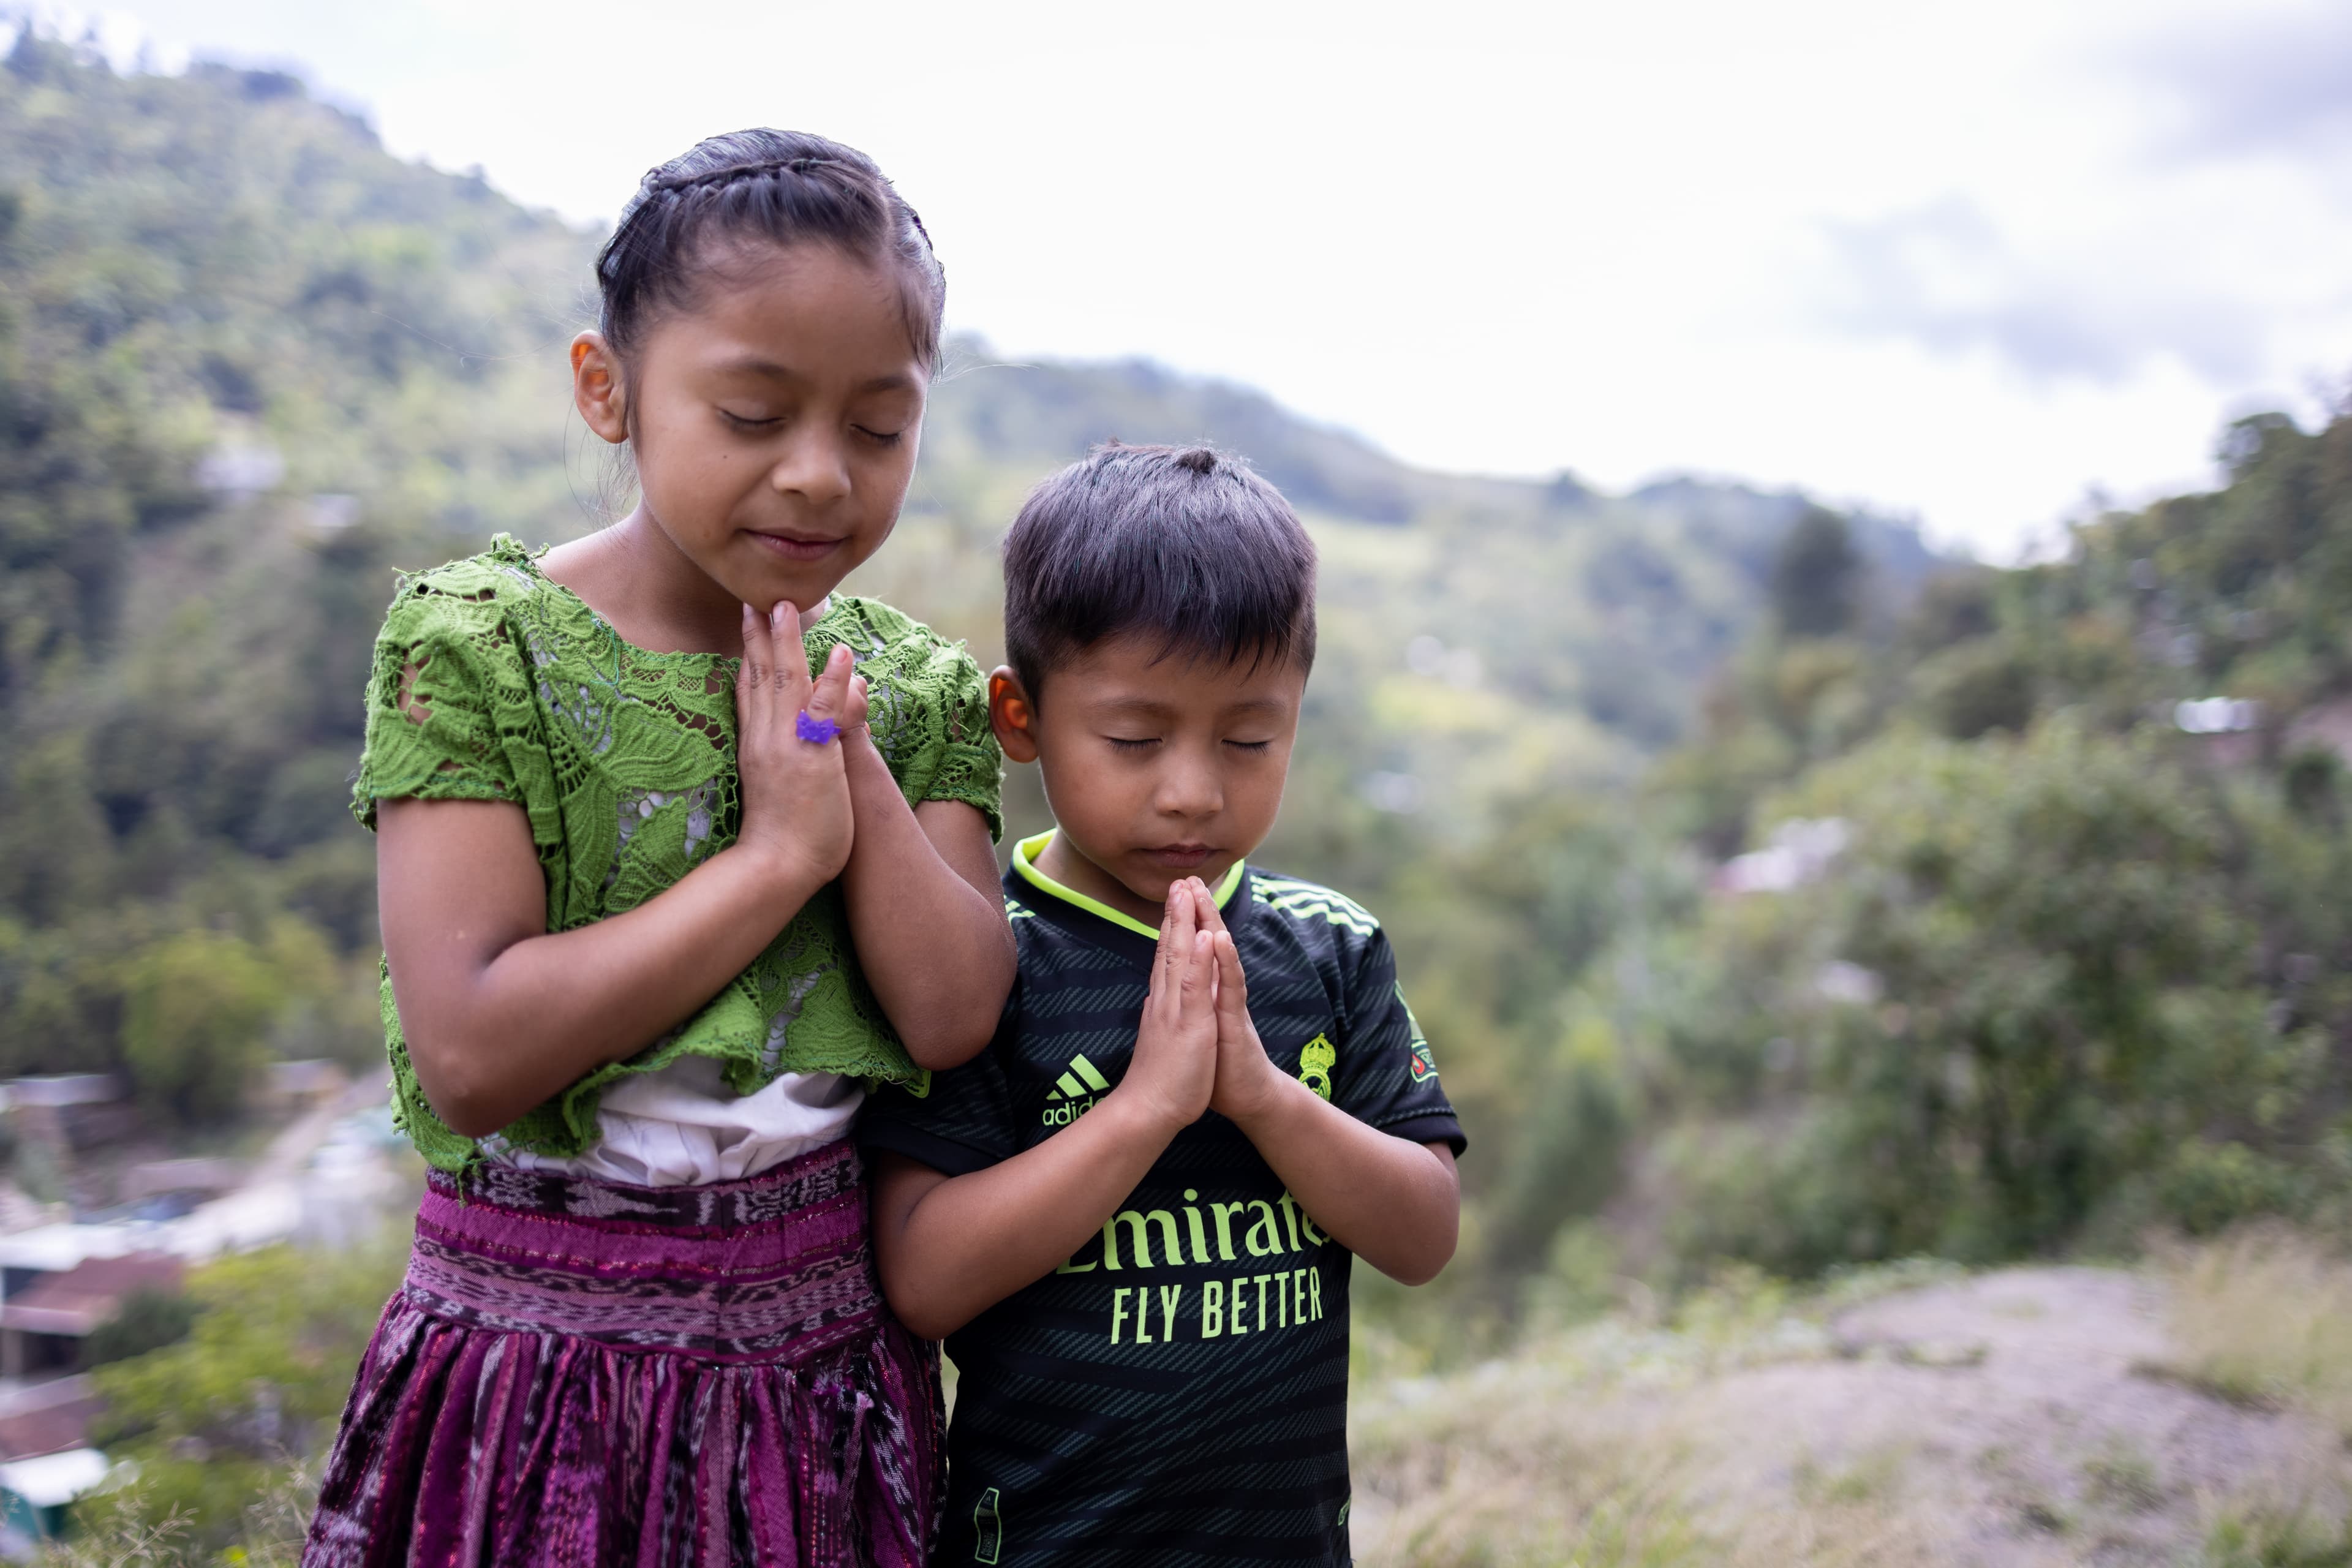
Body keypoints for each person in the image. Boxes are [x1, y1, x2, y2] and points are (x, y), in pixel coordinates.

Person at [303, 129, 1014, 1568]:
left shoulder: (916, 688)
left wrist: (843, 762)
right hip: (533, 1374)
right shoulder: (482, 650)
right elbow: (477, 1050)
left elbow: (953, 1015)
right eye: (754, 415)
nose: (821, 476)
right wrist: (768, 865)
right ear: (607, 390)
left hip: (823, 1381)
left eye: (879, 429)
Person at [861, 444, 1465, 1566]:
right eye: (1134, 740)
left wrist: (1262, 1099)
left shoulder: (1329, 949)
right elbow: (924, 1277)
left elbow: (1424, 1233)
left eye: (1250, 738)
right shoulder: (984, 960)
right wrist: (1145, 1108)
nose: (1193, 789)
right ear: (1022, 718)